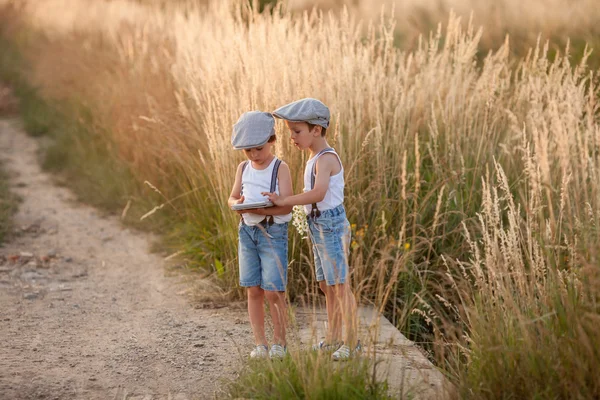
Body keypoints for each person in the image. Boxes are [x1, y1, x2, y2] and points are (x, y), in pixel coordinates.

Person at [263, 98, 359, 361]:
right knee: (325, 284)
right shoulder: (314, 157)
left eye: (297, 131)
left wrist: (285, 200)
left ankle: (352, 340)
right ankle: (333, 337)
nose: (292, 137)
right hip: (317, 225)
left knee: (340, 284)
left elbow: (318, 193)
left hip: (331, 224)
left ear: (316, 130)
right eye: (290, 132)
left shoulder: (326, 159)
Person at [228, 111, 293, 359]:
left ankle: (279, 342)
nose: (254, 155)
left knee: (273, 290)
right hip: (247, 232)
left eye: (258, 148)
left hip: (273, 232)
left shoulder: (280, 168)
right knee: (253, 289)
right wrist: (237, 204)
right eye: (248, 150)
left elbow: (286, 206)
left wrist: (261, 208)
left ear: (272, 140)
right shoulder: (243, 168)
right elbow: (232, 197)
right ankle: (260, 343)